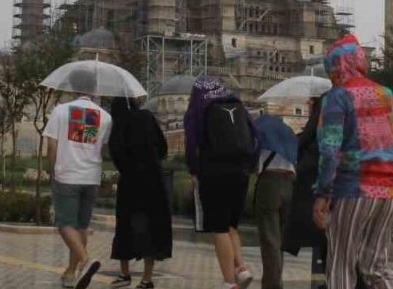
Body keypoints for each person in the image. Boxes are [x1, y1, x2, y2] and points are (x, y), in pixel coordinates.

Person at [312, 34, 393, 289]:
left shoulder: (337, 97)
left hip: (352, 190)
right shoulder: (389, 96)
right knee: (375, 268)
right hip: (389, 193)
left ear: (335, 66)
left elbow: (329, 149)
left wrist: (323, 194)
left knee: (341, 264)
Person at [183, 76, 256, 289]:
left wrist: (193, 170)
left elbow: (191, 143)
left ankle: (229, 282)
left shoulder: (199, 109)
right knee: (231, 224)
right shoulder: (239, 106)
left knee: (219, 227)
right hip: (241, 173)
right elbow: (255, 137)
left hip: (214, 172)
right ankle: (241, 269)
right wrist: (250, 168)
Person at [41, 71, 110, 289]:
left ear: (73, 87)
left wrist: (53, 171)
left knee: (63, 224)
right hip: (91, 178)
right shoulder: (105, 117)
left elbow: (51, 146)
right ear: (94, 88)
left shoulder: (61, 111)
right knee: (80, 226)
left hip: (67, 175)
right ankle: (71, 274)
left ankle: (86, 260)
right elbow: (105, 150)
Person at [108, 96, 172, 289]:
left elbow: (115, 154)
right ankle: (146, 279)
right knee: (150, 229)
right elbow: (163, 149)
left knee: (125, 227)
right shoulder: (147, 117)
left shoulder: (119, 125)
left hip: (130, 182)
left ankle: (124, 274)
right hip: (154, 181)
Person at [252, 111, 298, 289]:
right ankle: (275, 280)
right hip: (290, 182)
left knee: (269, 237)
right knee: (279, 236)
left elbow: (252, 159)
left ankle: (272, 284)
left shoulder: (261, 133)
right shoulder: (288, 135)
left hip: (269, 182)